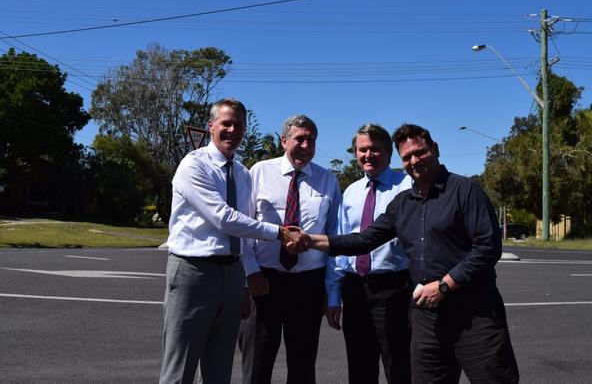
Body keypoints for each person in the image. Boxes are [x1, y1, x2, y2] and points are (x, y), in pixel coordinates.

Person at [300, 123, 519, 384]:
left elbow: (488, 246)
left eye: (420, 152)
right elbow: (364, 240)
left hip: (474, 313)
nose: (414, 161)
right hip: (427, 317)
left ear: (435, 149)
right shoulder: (402, 203)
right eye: (407, 157)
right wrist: (309, 240)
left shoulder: (465, 191)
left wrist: (445, 285)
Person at [160, 98, 300, 384]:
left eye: (239, 125)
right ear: (211, 126)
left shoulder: (243, 173)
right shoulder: (193, 165)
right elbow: (223, 218)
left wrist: (246, 277)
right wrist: (279, 232)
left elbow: (244, 232)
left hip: (232, 274)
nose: (232, 130)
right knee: (180, 369)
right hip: (193, 273)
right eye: (226, 123)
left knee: (220, 368)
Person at [241, 114, 341, 384]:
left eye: (311, 140)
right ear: (284, 140)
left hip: (308, 285)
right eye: (300, 139)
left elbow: (335, 239)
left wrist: (331, 293)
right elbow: (244, 228)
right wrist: (251, 272)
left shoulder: (328, 180)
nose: (306, 145)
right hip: (264, 281)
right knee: (256, 364)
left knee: (303, 366)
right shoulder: (259, 171)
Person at [325, 124, 412, 384]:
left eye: (375, 149)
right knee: (360, 367)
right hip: (355, 290)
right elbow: (340, 249)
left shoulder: (406, 185)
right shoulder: (350, 192)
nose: (368, 155)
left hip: (394, 288)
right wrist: (333, 297)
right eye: (362, 150)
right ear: (355, 153)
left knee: (399, 365)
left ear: (388, 152)